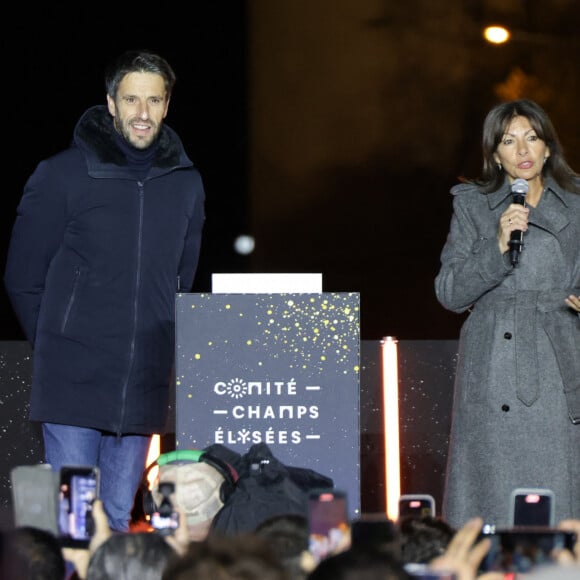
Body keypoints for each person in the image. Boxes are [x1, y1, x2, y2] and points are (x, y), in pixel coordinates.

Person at [3, 49, 206, 532]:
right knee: (74, 526)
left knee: (117, 521)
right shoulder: (62, 175)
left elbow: (183, 277)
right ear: (111, 103)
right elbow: (22, 277)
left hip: (142, 383)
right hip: (73, 381)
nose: (142, 113)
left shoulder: (186, 183)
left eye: (153, 101)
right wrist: (58, 344)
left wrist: (160, 342)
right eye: (131, 99)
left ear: (166, 105)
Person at [434, 98, 580, 529]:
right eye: (509, 141)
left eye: (532, 138)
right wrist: (497, 245)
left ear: (548, 148)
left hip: (559, 359)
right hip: (494, 364)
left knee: (559, 487)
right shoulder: (473, 206)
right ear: (494, 154)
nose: (523, 151)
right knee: (495, 492)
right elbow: (449, 293)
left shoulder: (577, 204)